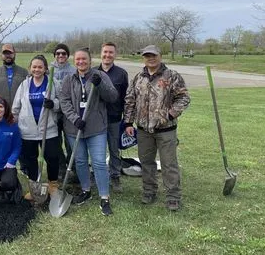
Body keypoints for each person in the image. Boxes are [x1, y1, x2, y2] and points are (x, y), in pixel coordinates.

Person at [124, 45, 190, 211]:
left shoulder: (171, 76)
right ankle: (149, 191)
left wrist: (169, 115)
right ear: (143, 58)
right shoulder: (139, 77)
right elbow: (130, 100)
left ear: (160, 56)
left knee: (169, 164)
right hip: (143, 130)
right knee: (146, 162)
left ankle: (173, 196)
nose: (150, 58)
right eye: (147, 56)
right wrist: (128, 122)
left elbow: (183, 98)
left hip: (166, 130)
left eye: (153, 55)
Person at [59, 48, 118, 216]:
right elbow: (64, 101)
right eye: (77, 59)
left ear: (90, 60)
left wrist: (100, 85)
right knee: (80, 161)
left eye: (84, 59)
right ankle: (86, 190)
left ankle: (104, 197)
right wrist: (74, 118)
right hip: (74, 128)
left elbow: (112, 96)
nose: (81, 62)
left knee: (99, 162)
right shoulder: (68, 79)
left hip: (96, 128)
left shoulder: (100, 76)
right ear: (74, 61)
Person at [12, 55, 61, 199]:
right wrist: (12, 122)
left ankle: (53, 185)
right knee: (30, 159)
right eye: (34, 67)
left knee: (52, 157)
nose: (37, 69)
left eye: (40, 67)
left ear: (45, 68)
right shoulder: (24, 85)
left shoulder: (53, 83)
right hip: (28, 130)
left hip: (48, 129)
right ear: (30, 68)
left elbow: (62, 103)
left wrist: (54, 104)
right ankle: (35, 187)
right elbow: (16, 106)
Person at [97, 42, 129, 192]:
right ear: (100, 53)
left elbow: (126, 98)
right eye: (105, 52)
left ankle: (115, 176)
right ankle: (98, 174)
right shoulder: (93, 72)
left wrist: (127, 120)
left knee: (114, 149)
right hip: (96, 119)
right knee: (98, 149)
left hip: (114, 118)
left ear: (115, 54)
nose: (107, 55)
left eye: (110, 52)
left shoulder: (121, 74)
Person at [51, 43, 76, 178]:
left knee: (70, 141)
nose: (61, 55)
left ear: (67, 55)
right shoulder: (49, 69)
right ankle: (60, 166)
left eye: (64, 53)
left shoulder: (73, 70)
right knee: (55, 142)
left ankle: (72, 167)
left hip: (69, 112)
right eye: (58, 53)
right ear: (54, 55)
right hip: (53, 112)